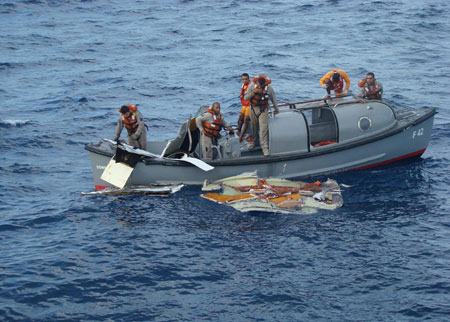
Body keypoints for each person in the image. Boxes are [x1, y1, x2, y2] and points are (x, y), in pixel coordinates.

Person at [244, 75, 279, 156]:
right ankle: (255, 143)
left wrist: (276, 109)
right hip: (253, 109)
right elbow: (245, 98)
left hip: (263, 110)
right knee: (254, 127)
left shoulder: (269, 88)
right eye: (258, 85)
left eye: (261, 85)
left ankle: (265, 148)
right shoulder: (252, 86)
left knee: (263, 129)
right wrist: (253, 92)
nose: (259, 86)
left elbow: (273, 99)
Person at [237, 73, 251, 142]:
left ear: (248, 79)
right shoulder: (243, 86)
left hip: (249, 105)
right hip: (244, 105)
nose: (244, 81)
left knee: (246, 119)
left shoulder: (251, 86)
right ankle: (238, 130)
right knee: (240, 117)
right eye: (243, 79)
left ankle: (241, 137)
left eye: (246, 79)